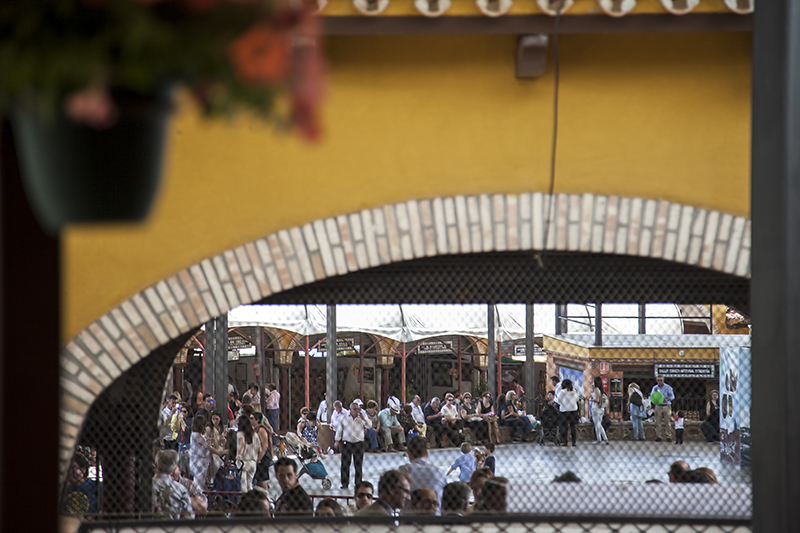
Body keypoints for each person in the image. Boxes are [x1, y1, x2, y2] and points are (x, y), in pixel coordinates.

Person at [397, 436, 447, 507]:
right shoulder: (440, 472)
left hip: (409, 516)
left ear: (409, 454)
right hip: (435, 515)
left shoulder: (403, 470)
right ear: (427, 453)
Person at [334, 400, 371, 489]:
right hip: (347, 443)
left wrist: (364, 418)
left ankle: (358, 482)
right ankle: (345, 483)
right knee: (345, 464)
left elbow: (369, 426)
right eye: (354, 409)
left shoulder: (362, 417)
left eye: (358, 409)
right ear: (350, 409)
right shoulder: (344, 417)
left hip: (359, 443)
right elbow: (340, 429)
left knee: (358, 464)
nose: (357, 411)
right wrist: (337, 440)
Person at [152, 450, 194, 519]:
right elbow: (189, 517)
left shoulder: (146, 487)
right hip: (176, 528)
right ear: (174, 468)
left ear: (156, 465)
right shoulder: (181, 489)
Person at [190, 414, 224, 489]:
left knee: (202, 484)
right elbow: (208, 447)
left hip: (202, 462)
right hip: (198, 463)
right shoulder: (196, 435)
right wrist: (220, 453)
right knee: (198, 486)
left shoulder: (198, 435)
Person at [236, 414, 261, 493]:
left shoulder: (240, 434)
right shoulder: (255, 434)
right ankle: (251, 499)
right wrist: (258, 458)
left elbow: (242, 442)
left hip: (244, 462)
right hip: (253, 462)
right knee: (250, 485)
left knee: (243, 485)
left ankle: (244, 501)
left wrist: (239, 454)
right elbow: (259, 448)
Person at [651, 375, 675, 442]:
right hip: (658, 406)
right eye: (658, 380)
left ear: (663, 380)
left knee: (667, 422)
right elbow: (652, 396)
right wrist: (655, 392)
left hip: (666, 405)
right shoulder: (655, 388)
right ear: (656, 381)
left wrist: (667, 399)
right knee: (658, 422)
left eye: (661, 380)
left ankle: (669, 436)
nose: (659, 382)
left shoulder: (667, 387)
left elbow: (672, 396)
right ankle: (659, 436)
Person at [557, 379, 580, 447]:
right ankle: (573, 441)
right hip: (573, 410)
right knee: (573, 426)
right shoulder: (574, 391)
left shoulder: (562, 392)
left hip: (564, 410)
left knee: (564, 427)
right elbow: (577, 399)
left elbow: (558, 400)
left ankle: (565, 441)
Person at [590, 377, 610, 445]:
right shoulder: (601, 389)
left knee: (597, 424)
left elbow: (597, 400)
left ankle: (599, 439)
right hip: (601, 408)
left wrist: (590, 400)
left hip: (596, 408)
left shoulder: (596, 389)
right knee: (599, 424)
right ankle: (605, 438)